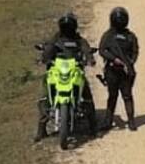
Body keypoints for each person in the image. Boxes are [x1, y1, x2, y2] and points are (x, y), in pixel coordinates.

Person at [35, 11, 98, 142]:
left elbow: (86, 49)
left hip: (75, 71)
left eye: (69, 26)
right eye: (65, 26)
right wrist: (44, 58)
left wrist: (90, 59)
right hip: (57, 71)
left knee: (86, 95)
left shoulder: (79, 40)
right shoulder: (55, 39)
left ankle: (93, 126)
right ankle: (41, 129)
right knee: (45, 96)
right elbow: (48, 49)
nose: (68, 28)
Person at [98, 6, 140, 131]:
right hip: (121, 71)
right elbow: (135, 53)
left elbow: (102, 50)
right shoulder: (130, 36)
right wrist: (127, 63)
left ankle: (111, 121)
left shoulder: (109, 35)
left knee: (115, 96)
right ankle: (130, 122)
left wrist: (118, 61)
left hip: (116, 71)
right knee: (126, 96)